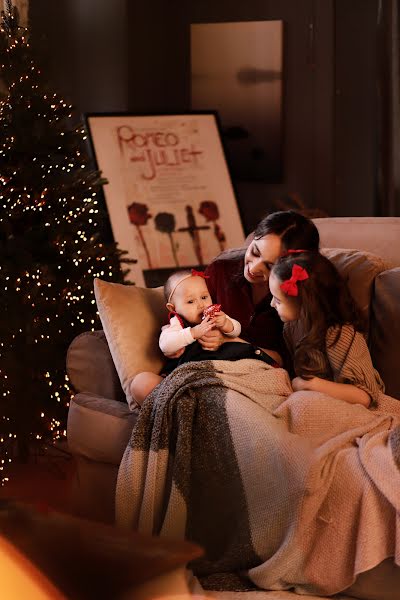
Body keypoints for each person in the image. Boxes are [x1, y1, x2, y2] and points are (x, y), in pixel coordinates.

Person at [130, 269, 277, 405]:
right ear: (173, 308)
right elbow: (166, 345)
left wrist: (226, 323)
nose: (201, 305)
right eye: (190, 301)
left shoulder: (217, 317)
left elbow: (236, 330)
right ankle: (181, 404)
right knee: (141, 382)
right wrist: (193, 333)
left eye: (204, 297)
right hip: (191, 372)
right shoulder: (177, 325)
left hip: (223, 369)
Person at [203, 210, 320, 366]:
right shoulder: (220, 271)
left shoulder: (294, 298)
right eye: (255, 252)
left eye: (270, 266)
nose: (254, 268)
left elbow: (288, 361)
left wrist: (228, 341)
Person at [269, 250, 385, 407]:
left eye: (277, 300)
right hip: (317, 400)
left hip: (359, 405)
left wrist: (309, 385)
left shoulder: (340, 335)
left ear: (305, 303)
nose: (271, 304)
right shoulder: (292, 327)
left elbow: (365, 397)